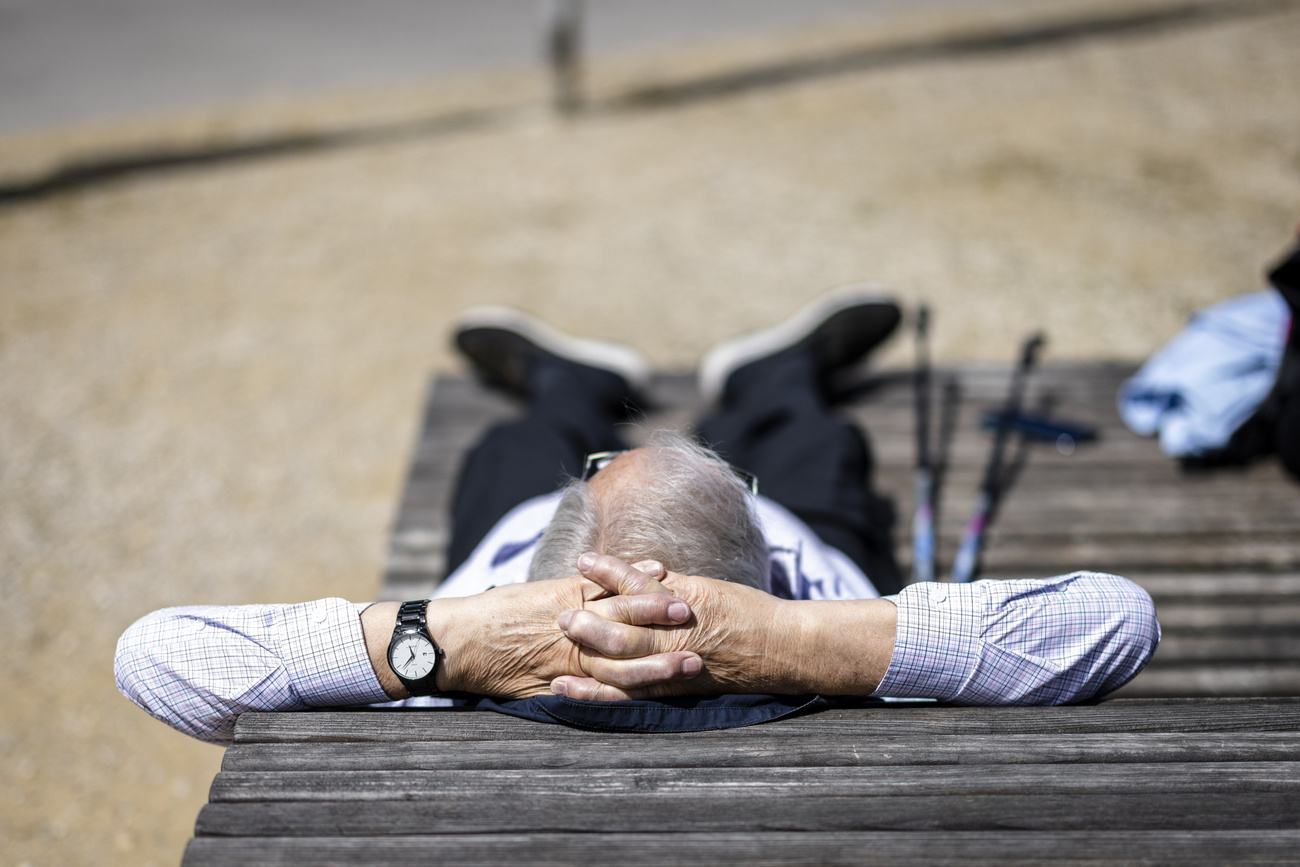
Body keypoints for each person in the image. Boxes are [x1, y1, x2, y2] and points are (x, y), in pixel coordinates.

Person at [116, 289, 1160, 744]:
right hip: (800, 554)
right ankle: (772, 377)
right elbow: (1117, 621)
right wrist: (798, 644)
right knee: (817, 442)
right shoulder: (791, 623)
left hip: (517, 573)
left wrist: (456, 640)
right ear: (772, 575)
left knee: (511, 448)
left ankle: (567, 385)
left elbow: (157, 658)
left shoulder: (492, 644)